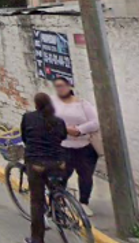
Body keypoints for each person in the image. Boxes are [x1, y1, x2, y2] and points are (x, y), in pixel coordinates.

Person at [21, 92, 67, 243]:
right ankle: (60, 210)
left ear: (36, 104)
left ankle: (37, 238)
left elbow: (25, 137)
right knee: (56, 188)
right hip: (58, 162)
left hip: (37, 164)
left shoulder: (28, 118)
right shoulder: (58, 121)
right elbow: (63, 137)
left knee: (37, 201)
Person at [52, 77, 100, 216]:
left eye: (63, 85)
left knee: (86, 176)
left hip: (84, 147)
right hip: (63, 146)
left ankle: (84, 202)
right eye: (57, 86)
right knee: (61, 175)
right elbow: (48, 122)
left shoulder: (83, 104)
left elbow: (95, 123)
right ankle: (59, 200)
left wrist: (79, 130)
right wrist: (66, 129)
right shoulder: (53, 104)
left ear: (69, 87)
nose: (60, 89)